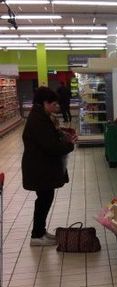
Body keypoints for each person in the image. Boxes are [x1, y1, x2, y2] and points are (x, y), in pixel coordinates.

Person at [22, 87, 77, 246]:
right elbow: (50, 146)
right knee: (44, 199)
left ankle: (40, 231)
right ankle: (37, 236)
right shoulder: (38, 119)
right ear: (45, 103)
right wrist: (69, 145)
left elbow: (50, 138)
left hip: (41, 166)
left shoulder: (41, 116)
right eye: (53, 104)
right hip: (39, 167)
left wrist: (63, 135)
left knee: (45, 198)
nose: (56, 107)